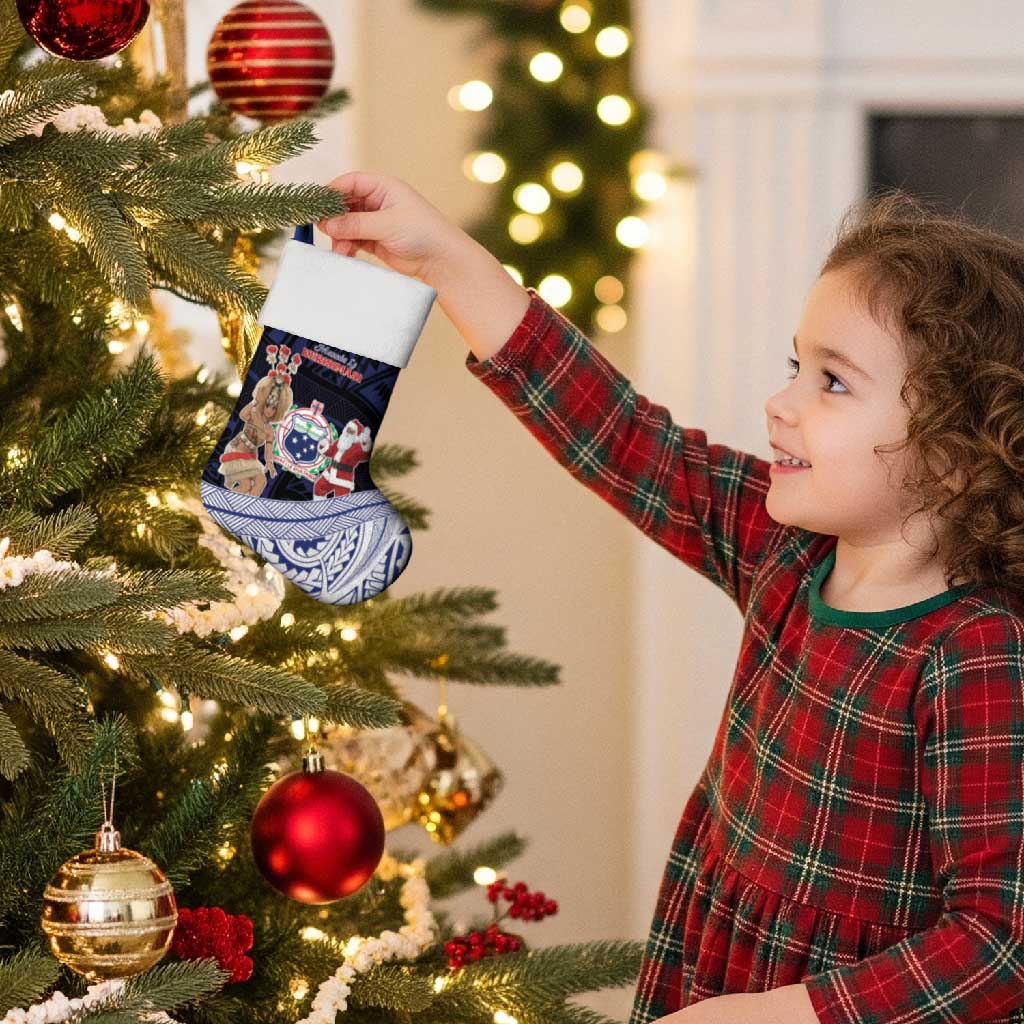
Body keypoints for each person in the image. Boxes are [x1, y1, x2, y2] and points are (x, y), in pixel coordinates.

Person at [317, 174, 1024, 1024]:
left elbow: (999, 942)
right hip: (713, 967)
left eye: (833, 383)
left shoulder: (977, 653)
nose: (781, 404)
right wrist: (447, 259)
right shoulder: (788, 552)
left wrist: (774, 1016)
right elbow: (623, 436)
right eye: (796, 367)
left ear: (955, 454)